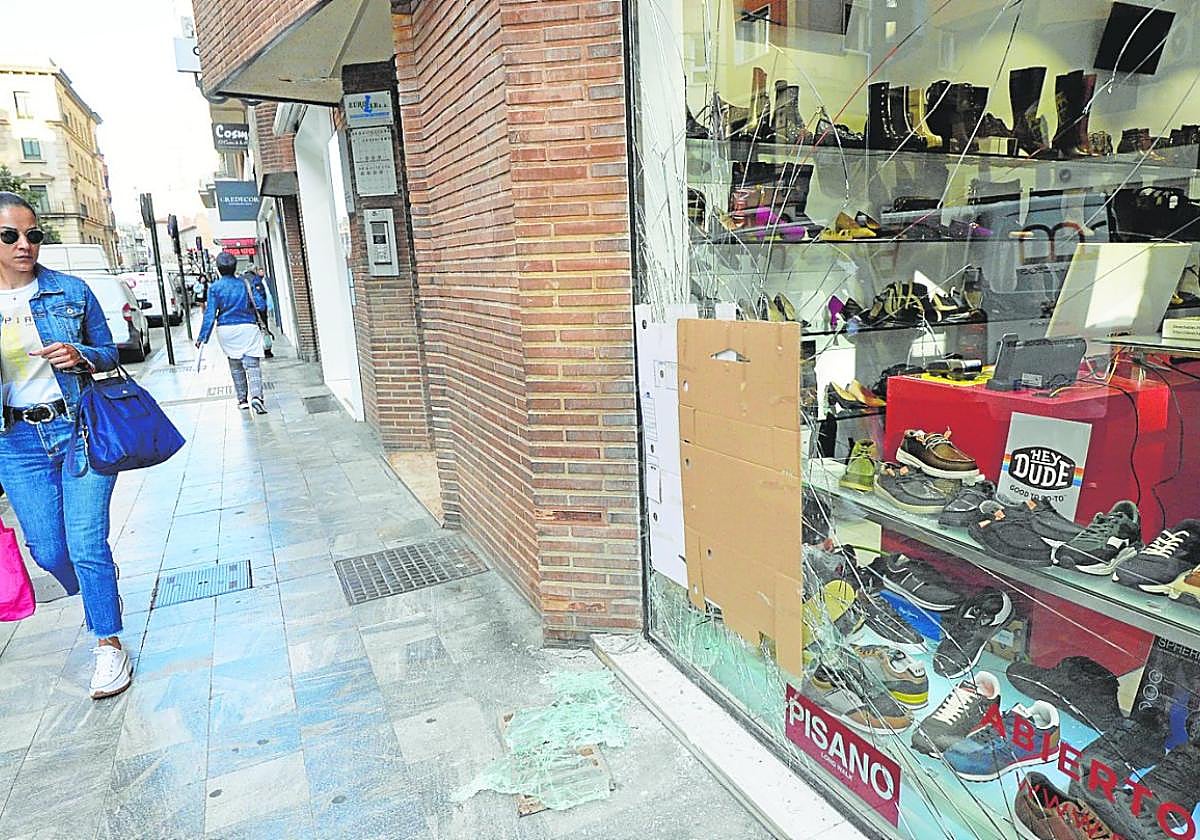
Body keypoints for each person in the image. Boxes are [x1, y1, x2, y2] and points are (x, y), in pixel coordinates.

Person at [0, 192, 131, 699]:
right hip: (15, 442)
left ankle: (108, 644)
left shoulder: (70, 290)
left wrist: (79, 354)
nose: (24, 244)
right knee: (50, 549)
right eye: (10, 235)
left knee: (84, 543)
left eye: (33, 234)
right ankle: (100, 586)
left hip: (77, 429)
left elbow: (107, 353)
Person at [197, 252, 268, 414]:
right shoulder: (245, 283)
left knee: (235, 365)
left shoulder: (215, 288)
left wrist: (203, 337)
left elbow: (209, 314)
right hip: (247, 327)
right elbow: (261, 305)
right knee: (253, 365)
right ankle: (257, 397)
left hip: (226, 330)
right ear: (235, 266)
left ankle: (242, 400)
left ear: (219, 268)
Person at [244, 266, 272, 358]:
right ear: (254, 270)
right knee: (264, 328)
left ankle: (255, 350)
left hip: (247, 310)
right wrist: (262, 309)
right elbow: (259, 295)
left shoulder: (242, 279)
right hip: (258, 309)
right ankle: (267, 350)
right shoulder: (255, 279)